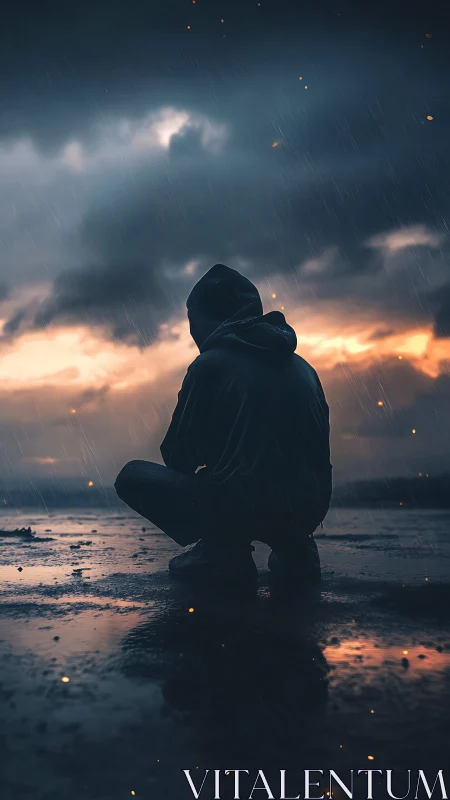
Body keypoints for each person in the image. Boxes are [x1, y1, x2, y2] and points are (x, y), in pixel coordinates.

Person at [114, 263, 332, 583]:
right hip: (308, 508)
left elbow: (179, 457)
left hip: (246, 506)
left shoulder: (211, 364)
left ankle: (224, 551)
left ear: (204, 319)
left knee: (131, 475)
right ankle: (296, 548)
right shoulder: (303, 367)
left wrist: (214, 446)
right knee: (268, 484)